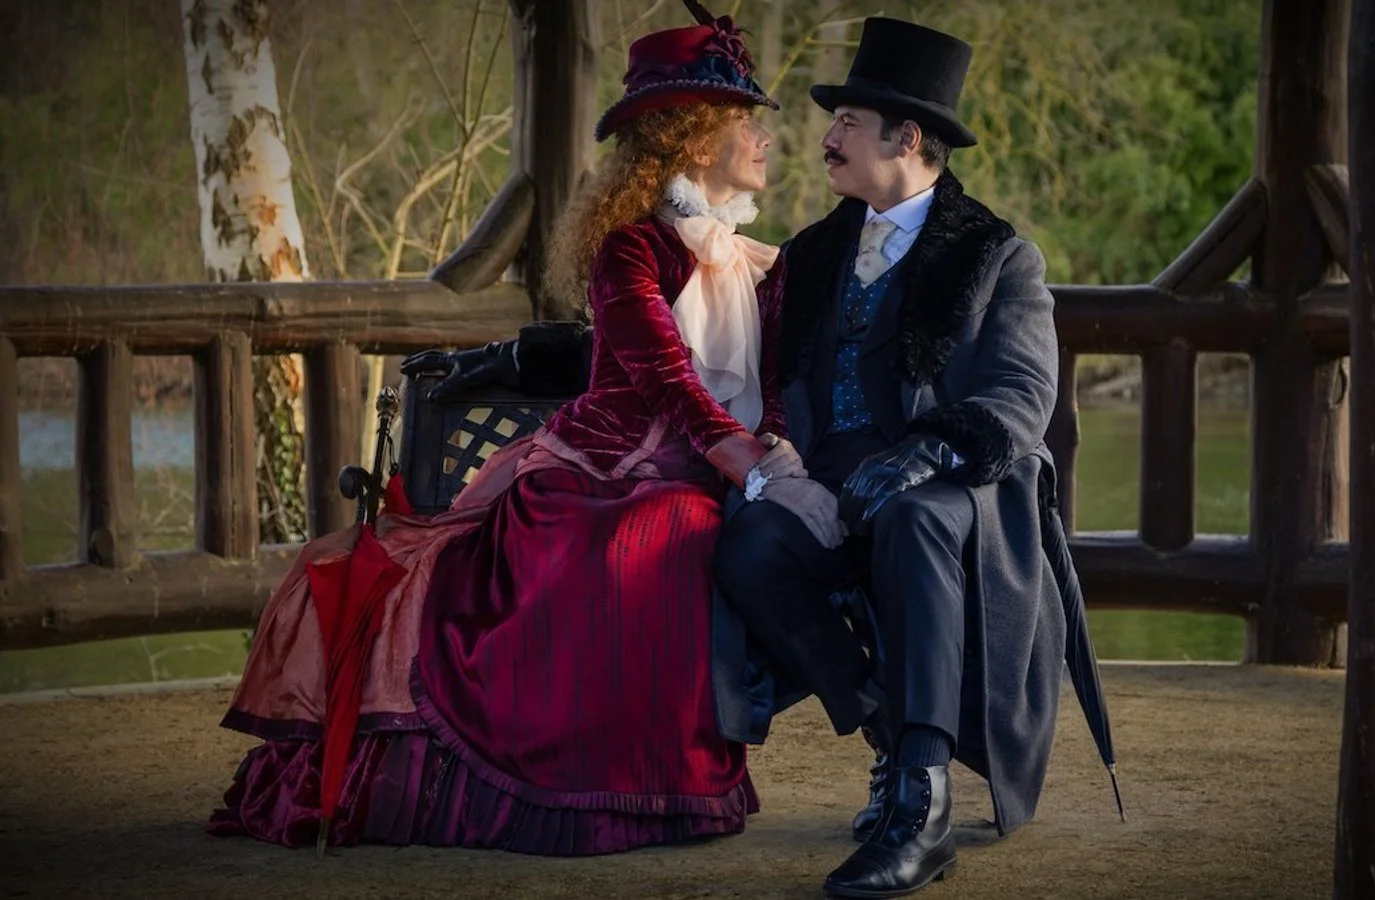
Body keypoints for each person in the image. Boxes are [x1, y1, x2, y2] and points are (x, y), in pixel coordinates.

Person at [207, 3, 806, 857]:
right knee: (656, 533)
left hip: (704, 469)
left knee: (694, 523)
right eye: (743, 118)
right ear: (694, 136)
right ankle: (593, 788)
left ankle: (674, 783)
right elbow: (667, 382)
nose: (762, 135)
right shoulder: (631, 251)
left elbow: (770, 388)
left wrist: (776, 450)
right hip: (600, 475)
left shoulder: (760, 264)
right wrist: (749, 463)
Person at [712, 17, 1079, 898]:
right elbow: (720, 343)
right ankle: (886, 724)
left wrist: (927, 453)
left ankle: (923, 809)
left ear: (906, 138)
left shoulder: (998, 256)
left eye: (849, 121)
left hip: (958, 488)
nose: (828, 137)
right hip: (834, 479)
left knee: (913, 521)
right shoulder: (813, 253)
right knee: (752, 544)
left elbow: (1021, 397)